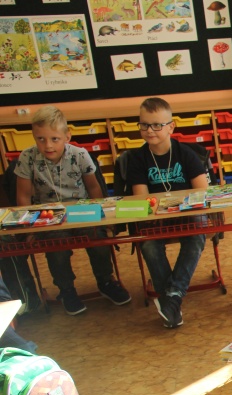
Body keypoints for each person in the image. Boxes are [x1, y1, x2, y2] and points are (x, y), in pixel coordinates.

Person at [14, 105, 131, 315]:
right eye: (41, 139)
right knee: (56, 244)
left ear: (67, 136)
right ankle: (66, 289)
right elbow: (23, 196)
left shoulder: (79, 155)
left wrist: (103, 219)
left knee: (97, 238)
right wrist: (28, 228)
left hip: (81, 212)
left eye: (54, 139)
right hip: (49, 218)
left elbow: (94, 188)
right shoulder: (27, 157)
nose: (48, 145)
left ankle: (105, 281)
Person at [126, 97, 210, 328]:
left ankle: (171, 297)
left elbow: (202, 191)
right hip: (156, 219)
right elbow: (142, 199)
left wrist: (177, 204)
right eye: (144, 125)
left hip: (186, 216)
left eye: (157, 125)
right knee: (149, 245)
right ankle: (173, 298)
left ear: (171, 127)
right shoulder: (137, 159)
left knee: (197, 236)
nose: (149, 130)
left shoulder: (186, 154)